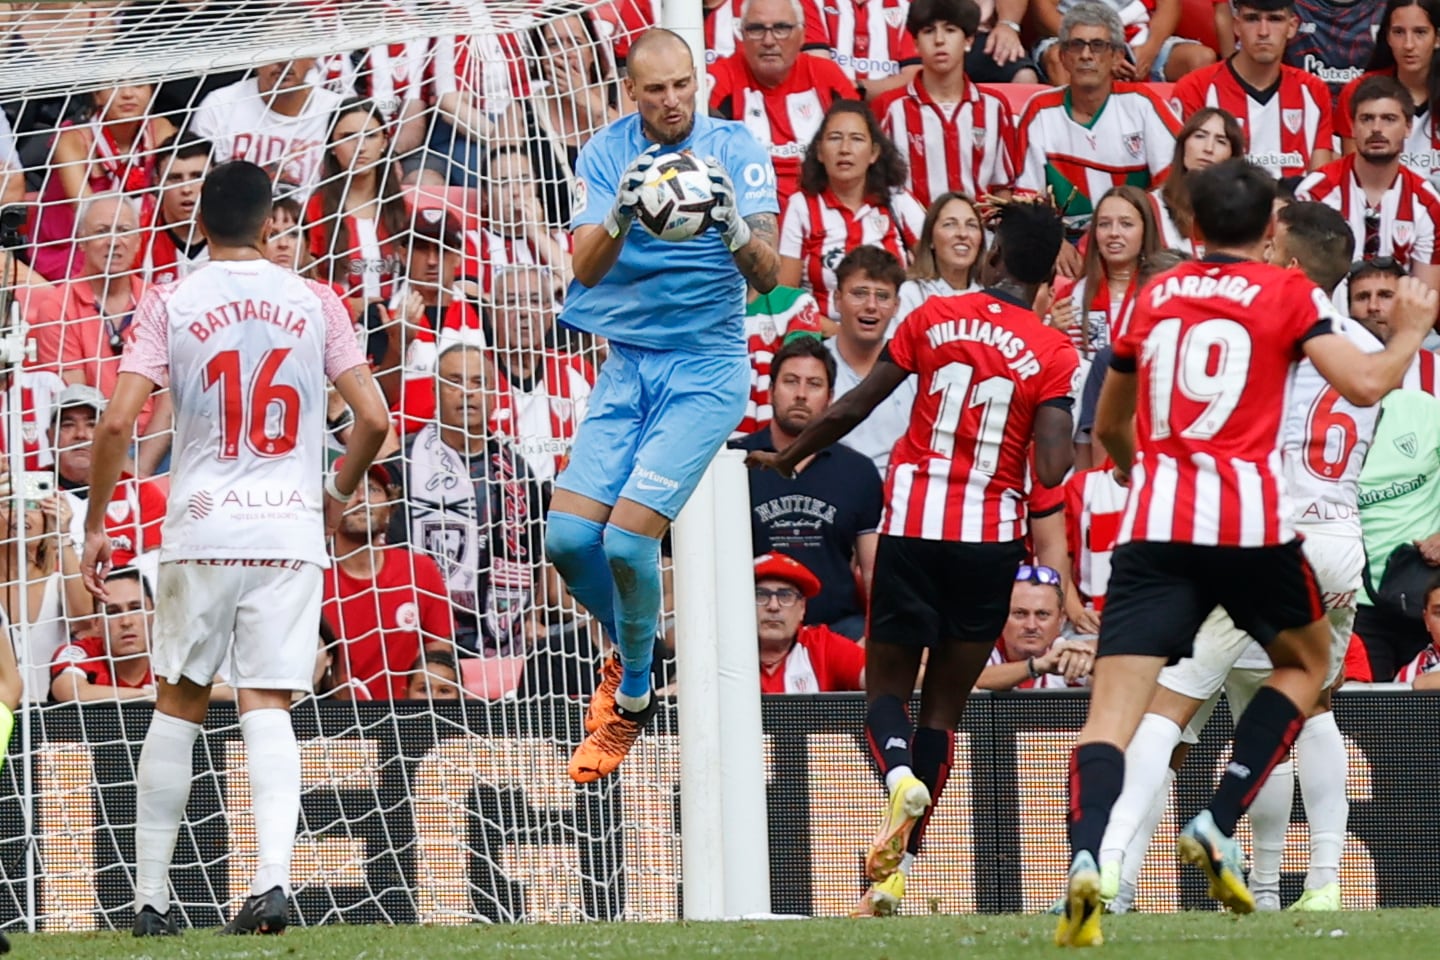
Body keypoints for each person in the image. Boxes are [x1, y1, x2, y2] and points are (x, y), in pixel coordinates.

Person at [1056, 160, 1433, 949]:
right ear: (1266, 228)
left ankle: (1099, 863)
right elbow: (1367, 387)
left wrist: (1134, 468)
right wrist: (1410, 328)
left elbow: (1112, 424)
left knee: (1135, 712)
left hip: (1163, 525)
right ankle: (1262, 847)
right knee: (1307, 687)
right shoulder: (1295, 302)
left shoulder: (1153, 296)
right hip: (1281, 531)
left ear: (1188, 226)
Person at [78, 159, 389, 937]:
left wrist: (94, 519)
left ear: (199, 222)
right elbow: (376, 419)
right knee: (268, 702)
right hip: (287, 528)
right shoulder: (318, 300)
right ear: (268, 223)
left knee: (178, 703)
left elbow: (116, 424)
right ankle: (272, 883)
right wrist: (337, 493)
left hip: (202, 523)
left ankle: (150, 898)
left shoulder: (170, 299)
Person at [748, 194, 1079, 918]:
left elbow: (854, 406)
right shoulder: (1054, 351)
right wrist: (1062, 394)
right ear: (1051, 275)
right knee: (943, 714)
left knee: (885, 695)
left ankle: (896, 776)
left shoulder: (932, 318)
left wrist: (789, 457)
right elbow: (1052, 470)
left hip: (916, 528)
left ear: (991, 258)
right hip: (991, 543)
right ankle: (893, 876)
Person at [1094, 201, 1379, 917]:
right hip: (1341, 533)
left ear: (1288, 262)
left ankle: (1114, 874)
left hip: (1261, 529)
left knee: (1168, 709)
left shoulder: (1268, 323)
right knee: (1304, 705)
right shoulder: (1358, 344)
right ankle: (1317, 884)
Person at [542, 28, 780, 785]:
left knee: (624, 545)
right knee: (568, 541)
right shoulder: (606, 152)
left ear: (697, 80)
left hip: (706, 370)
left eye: (683, 85)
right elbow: (582, 265)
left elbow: (770, 273)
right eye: (656, 90)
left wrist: (732, 223)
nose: (673, 101)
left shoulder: (736, 147)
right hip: (627, 368)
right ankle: (636, 654)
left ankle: (636, 696)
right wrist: (620, 210)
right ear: (632, 93)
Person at [389, 345, 551, 658]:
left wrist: (534, 617)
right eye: (455, 381)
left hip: (503, 634)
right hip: (420, 636)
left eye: (478, 383)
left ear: (493, 393)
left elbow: (537, 555)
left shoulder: (517, 471)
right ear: (435, 390)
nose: (468, 393)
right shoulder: (404, 465)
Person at [737, 337, 882, 638]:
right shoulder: (734, 463)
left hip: (839, 633)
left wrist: (875, 638)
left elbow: (874, 573)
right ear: (771, 390)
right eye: (791, 382)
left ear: (830, 397)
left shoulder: (859, 471)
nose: (801, 394)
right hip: (746, 631)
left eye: (814, 384)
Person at [1015, 3, 1181, 241]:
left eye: (1098, 46)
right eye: (1076, 45)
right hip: (1064, 239)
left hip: (1134, 236)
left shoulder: (1143, 104)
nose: (1086, 55)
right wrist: (1053, 243)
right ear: (1063, 56)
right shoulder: (1039, 110)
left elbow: (1172, 184)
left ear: (1117, 56)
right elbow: (1026, 197)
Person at [777, 99, 926, 319]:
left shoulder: (898, 200)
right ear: (819, 151)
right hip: (825, 339)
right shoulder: (802, 206)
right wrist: (838, 334)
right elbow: (786, 296)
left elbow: (936, 269)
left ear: (874, 153)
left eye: (856, 139)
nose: (845, 149)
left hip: (895, 337)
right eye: (835, 138)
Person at [323, 458, 453, 701]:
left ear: (391, 507)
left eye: (372, 489)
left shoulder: (420, 571)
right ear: (328, 505)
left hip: (407, 723)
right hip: (331, 722)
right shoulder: (310, 576)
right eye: (350, 489)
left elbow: (439, 663)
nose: (362, 499)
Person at [709, 0, 860, 207]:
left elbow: (863, 148)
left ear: (802, 35)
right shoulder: (721, 79)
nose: (769, 40)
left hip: (822, 214)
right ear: (742, 35)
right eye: (756, 29)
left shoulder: (828, 77)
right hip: (747, 214)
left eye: (781, 28)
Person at [1296, 75, 1440, 291]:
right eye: (1367, 119)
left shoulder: (1427, 203)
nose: (1376, 128)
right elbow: (1301, 283)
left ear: (1408, 127)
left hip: (1398, 319)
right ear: (1352, 128)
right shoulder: (1314, 193)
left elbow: (1425, 296)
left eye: (1389, 119)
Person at [871, 0, 1016, 210]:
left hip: (982, 234)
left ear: (969, 40)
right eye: (929, 31)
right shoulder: (889, 108)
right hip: (912, 236)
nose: (939, 40)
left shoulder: (995, 107)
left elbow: (1004, 187)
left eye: (950, 30)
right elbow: (878, 186)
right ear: (915, 44)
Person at [1171, 0, 1335, 179]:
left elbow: (1319, 182)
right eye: (1252, 19)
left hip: (1295, 204)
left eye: (1275, 19)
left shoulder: (1313, 90)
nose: (1263, 32)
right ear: (1236, 25)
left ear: (1292, 26)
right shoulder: (1195, 88)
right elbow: (1183, 176)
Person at [32, 81, 176, 281]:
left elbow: (175, 192)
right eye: (115, 85)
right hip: (78, 246)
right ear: (97, 95)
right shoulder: (73, 140)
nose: (127, 94)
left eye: (139, 85)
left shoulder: (160, 129)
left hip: (141, 239)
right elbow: (88, 212)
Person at [486, 264, 596, 484]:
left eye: (534, 301)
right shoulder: (476, 374)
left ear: (549, 312)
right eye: (511, 302)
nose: (524, 313)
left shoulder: (577, 371)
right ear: (491, 311)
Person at [190, 59, 346, 198]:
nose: (285, 62)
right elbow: (195, 181)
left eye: (294, 51)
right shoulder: (219, 106)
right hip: (234, 223)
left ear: (313, 58)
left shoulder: (338, 110)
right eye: (276, 50)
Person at [302, 99, 408, 304]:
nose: (360, 147)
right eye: (348, 137)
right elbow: (307, 284)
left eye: (370, 136)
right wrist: (348, 305)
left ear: (384, 143)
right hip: (338, 326)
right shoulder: (313, 212)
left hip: (398, 327)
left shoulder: (405, 212)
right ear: (332, 146)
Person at [823, 246, 917, 474]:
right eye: (859, 293)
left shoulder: (916, 371)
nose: (871, 306)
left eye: (883, 296)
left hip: (897, 494)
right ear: (837, 300)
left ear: (896, 306)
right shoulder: (814, 366)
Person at [52, 384, 165, 571]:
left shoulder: (141, 492)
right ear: (50, 436)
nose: (80, 434)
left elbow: (157, 565)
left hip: (123, 594)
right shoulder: (32, 493)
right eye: (68, 425)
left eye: (92, 424)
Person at [1053, 185, 1161, 361]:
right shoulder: (1070, 296)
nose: (1114, 233)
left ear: (1146, 230)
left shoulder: (1163, 294)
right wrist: (1053, 331)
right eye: (1104, 224)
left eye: (1126, 224)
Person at [1337, 0, 1440, 183]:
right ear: (1387, 37)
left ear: (1437, 38)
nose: (1409, 45)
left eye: (1420, 32)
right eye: (1399, 32)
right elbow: (1356, 176)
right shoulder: (1359, 91)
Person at [754, 552, 867, 692]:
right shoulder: (723, 651)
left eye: (785, 596)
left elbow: (880, 682)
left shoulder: (822, 646)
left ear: (802, 608)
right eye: (761, 595)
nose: (773, 606)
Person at [467, 145, 573, 292]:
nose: (515, 192)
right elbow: (467, 300)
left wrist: (537, 233)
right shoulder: (472, 243)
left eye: (524, 181)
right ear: (485, 195)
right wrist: (542, 294)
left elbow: (585, 284)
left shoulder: (563, 240)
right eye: (503, 183)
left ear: (536, 185)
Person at [1033, 0, 1216, 85]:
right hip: (1074, 35)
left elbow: (1169, 5)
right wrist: (1097, 49)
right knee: (1058, 60)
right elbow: (1043, 9)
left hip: (1138, 37)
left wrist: (1149, 49)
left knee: (1201, 59)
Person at [976, 568, 1096, 690]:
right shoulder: (982, 649)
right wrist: (1038, 666)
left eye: (1042, 614)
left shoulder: (1064, 652)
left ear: (1061, 619)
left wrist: (1090, 665)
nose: (1031, 626)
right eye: (1020, 613)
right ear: (1000, 616)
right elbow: (967, 680)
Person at [50, 566, 155, 702]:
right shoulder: (82, 652)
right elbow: (68, 691)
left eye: (135, 608)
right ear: (96, 623)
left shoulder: (172, 656)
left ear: (155, 614)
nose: (126, 622)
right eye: (112, 612)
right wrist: (146, 695)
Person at [1152, 108, 1245, 254]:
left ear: (1233, 156)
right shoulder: (1154, 204)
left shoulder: (1245, 209)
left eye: (1221, 141)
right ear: (1183, 146)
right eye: (1200, 136)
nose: (1208, 148)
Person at [802, 0, 923, 99]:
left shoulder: (909, 6)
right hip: (829, 118)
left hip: (887, 119)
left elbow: (914, 77)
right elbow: (819, 74)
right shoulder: (811, 3)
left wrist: (859, 88)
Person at [896, 191, 984, 323]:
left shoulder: (990, 299)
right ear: (930, 239)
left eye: (971, 225)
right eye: (950, 224)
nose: (963, 234)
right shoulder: (910, 295)